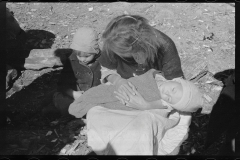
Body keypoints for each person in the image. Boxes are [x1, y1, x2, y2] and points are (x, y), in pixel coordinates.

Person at [98, 14, 184, 99]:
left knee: (180, 107)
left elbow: (175, 85)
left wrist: (146, 105)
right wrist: (117, 81)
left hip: (158, 89)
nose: (118, 54)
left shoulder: (165, 45)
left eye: (123, 54)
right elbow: (106, 69)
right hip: (124, 85)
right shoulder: (113, 40)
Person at [52, 27, 101, 116]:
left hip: (95, 97)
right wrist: (73, 93)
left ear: (95, 51)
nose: (82, 59)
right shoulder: (71, 61)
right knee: (62, 101)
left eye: (87, 56)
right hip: (76, 96)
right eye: (79, 55)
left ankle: (82, 113)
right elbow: (62, 84)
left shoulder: (103, 60)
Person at [115, 72, 204, 113]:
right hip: (116, 86)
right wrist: (118, 81)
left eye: (169, 98)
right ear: (176, 81)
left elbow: (166, 105)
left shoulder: (159, 100)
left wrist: (146, 106)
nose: (166, 93)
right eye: (173, 89)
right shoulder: (156, 74)